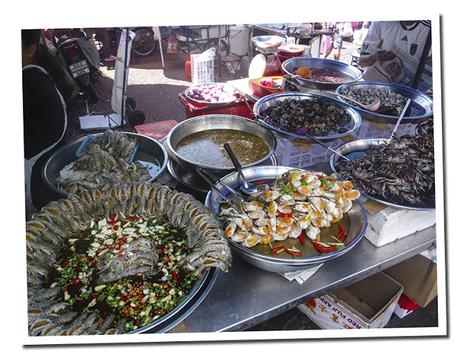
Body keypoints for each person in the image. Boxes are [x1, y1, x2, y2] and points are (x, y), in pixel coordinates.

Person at [22, 29, 68, 218]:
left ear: (30, 49)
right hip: (48, 164)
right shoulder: (38, 73)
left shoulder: (29, 82)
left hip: (37, 175)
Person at [359, 21, 432, 91]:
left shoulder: (430, 29)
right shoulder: (381, 22)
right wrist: (374, 58)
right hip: (372, 87)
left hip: (406, 93)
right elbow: (361, 61)